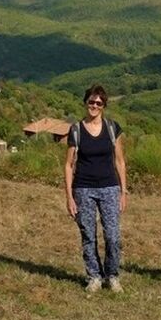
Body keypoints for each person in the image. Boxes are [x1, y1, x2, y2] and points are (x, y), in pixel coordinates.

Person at [64, 84, 128, 292]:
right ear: (85, 103)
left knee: (112, 236)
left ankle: (112, 274)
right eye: (91, 101)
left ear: (104, 106)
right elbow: (68, 165)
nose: (94, 105)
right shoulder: (76, 130)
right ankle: (94, 276)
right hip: (83, 189)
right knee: (88, 235)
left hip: (110, 187)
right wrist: (69, 197)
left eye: (99, 103)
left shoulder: (112, 128)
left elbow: (120, 161)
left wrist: (123, 191)